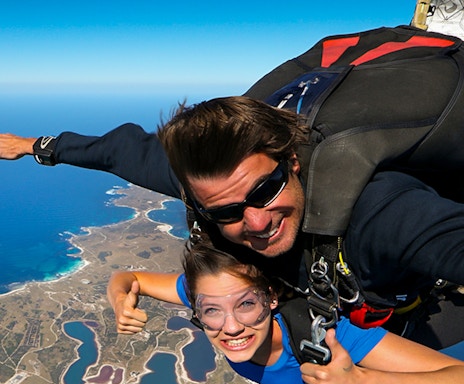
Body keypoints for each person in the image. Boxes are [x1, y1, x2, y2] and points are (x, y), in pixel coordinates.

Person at [3, 25, 464, 347]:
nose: (257, 221)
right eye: (226, 213)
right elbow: (118, 151)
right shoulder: (206, 184)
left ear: (293, 163)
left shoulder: (378, 212)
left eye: (265, 191)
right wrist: (30, 146)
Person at [107, 239, 464, 384]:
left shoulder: (324, 337)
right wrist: (120, 300)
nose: (230, 327)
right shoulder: (211, 291)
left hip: (428, 317)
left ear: (272, 298)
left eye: (247, 304)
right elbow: (129, 277)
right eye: (211, 310)